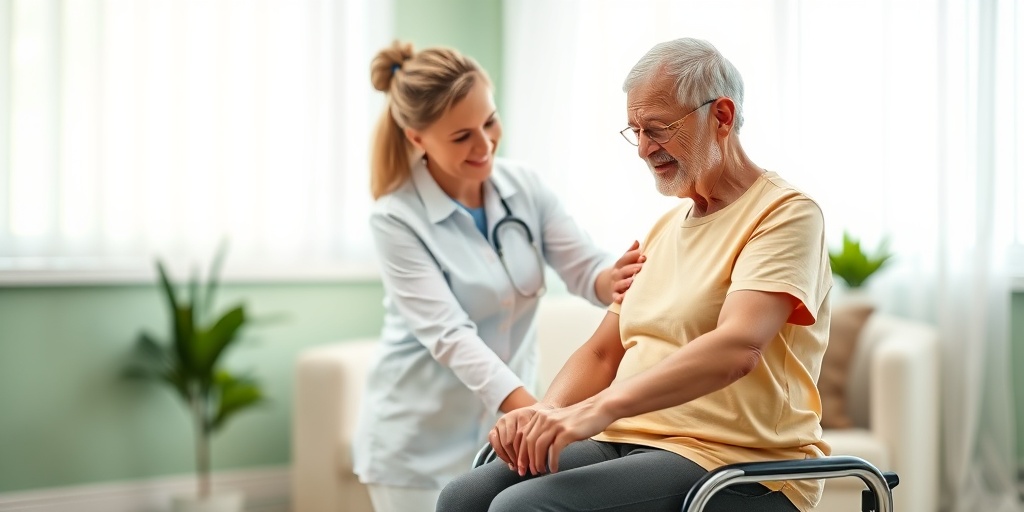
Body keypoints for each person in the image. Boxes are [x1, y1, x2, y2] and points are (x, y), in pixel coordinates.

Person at [437, 37, 833, 512]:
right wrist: (547, 411)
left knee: (521, 508)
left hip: (733, 461)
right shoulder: (665, 229)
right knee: (464, 497)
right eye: (635, 131)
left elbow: (737, 348)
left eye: (658, 129)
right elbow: (605, 351)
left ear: (722, 117)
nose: (644, 149)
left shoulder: (785, 215)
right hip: (627, 440)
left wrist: (593, 412)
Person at [352, 41, 644, 512]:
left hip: (507, 435)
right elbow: (451, 336)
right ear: (417, 138)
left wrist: (616, 278)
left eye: (489, 122)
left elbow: (584, 266)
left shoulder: (523, 187)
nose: (484, 144)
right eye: (461, 135)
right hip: (417, 444)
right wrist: (539, 413)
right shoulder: (396, 218)